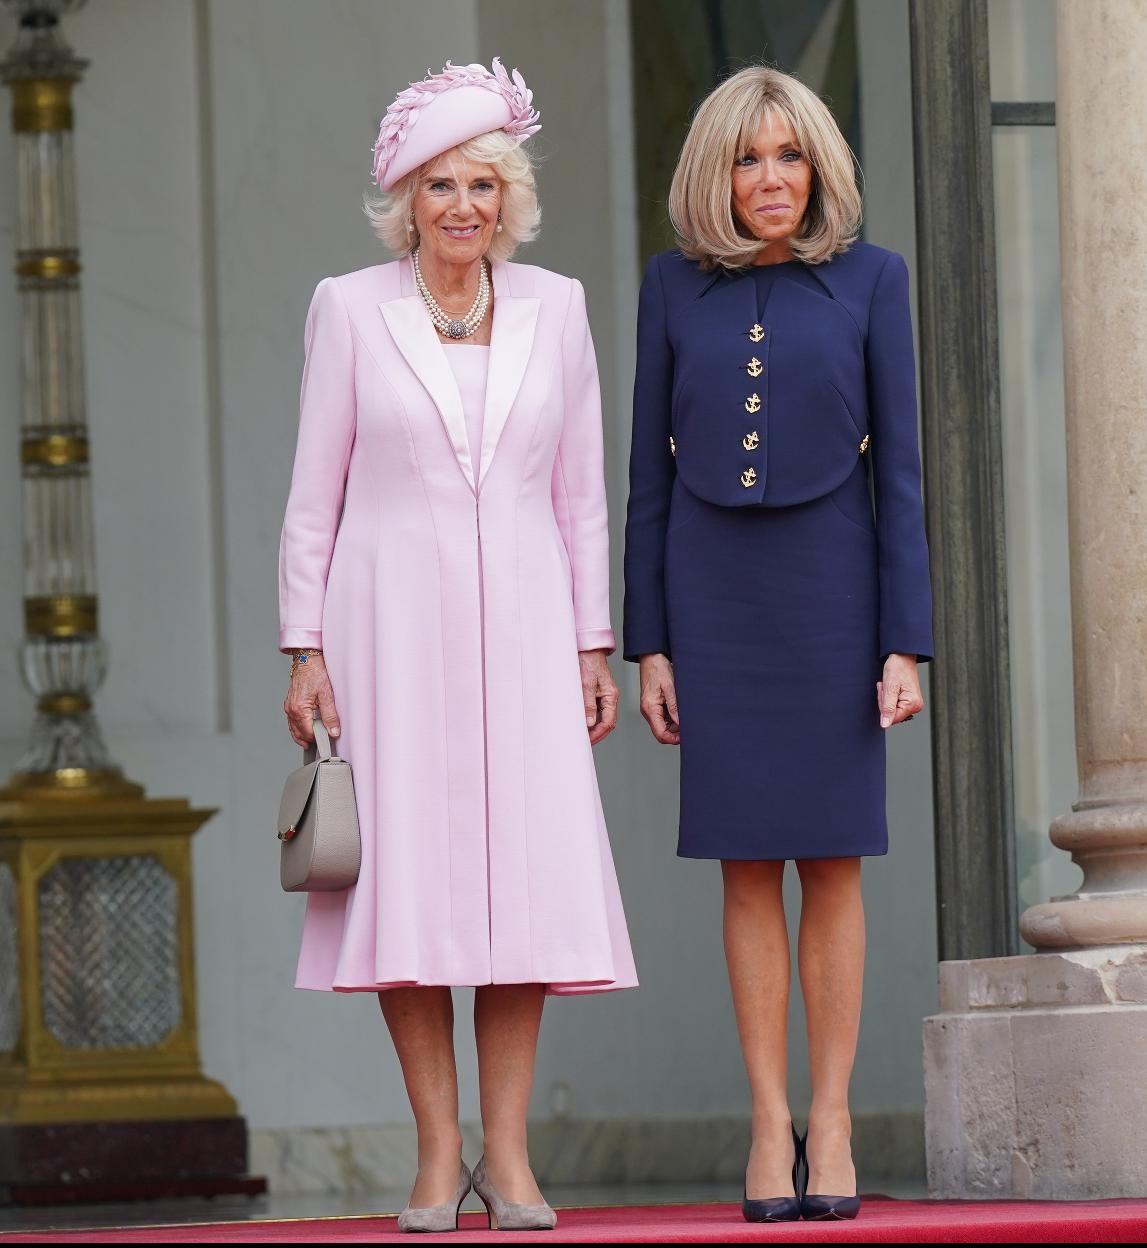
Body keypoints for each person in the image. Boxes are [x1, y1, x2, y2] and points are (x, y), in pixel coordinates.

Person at [277, 58, 636, 1234]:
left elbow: (583, 492)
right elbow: (312, 497)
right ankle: (441, 1158)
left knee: (520, 886)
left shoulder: (560, 306)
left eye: (485, 184)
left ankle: (514, 1159)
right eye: (441, 186)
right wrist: (303, 647)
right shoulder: (348, 307)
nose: (465, 207)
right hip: (384, 632)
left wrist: (594, 643)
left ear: (511, 199)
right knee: (415, 889)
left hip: (530, 627)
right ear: (407, 202)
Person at [623, 65, 933, 1224]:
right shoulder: (670, 288)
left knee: (832, 861)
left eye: (789, 156)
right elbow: (645, 478)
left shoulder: (873, 282)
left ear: (820, 169)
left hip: (833, 594)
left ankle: (836, 1117)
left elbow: (900, 475)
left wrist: (906, 642)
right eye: (748, 158)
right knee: (745, 864)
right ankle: (769, 1126)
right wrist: (647, 642)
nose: (770, 179)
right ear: (717, 170)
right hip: (712, 599)